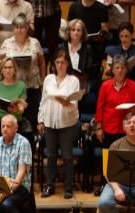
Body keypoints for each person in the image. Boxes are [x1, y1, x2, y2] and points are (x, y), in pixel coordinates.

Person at [37, 50, 81, 199]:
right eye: (58, 62)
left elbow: (74, 104)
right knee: (51, 156)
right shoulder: (48, 79)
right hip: (50, 122)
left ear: (68, 63)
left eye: (63, 62)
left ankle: (69, 187)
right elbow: (43, 100)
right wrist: (40, 120)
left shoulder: (73, 80)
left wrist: (66, 103)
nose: (60, 65)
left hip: (67, 123)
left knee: (67, 156)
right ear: (54, 64)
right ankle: (49, 185)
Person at [94, 57, 135, 150]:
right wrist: (99, 128)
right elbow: (100, 108)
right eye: (117, 68)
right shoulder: (105, 85)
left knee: (125, 160)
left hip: (127, 129)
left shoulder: (133, 86)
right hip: (108, 128)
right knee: (108, 160)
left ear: (126, 70)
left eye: (122, 68)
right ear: (113, 70)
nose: (120, 71)